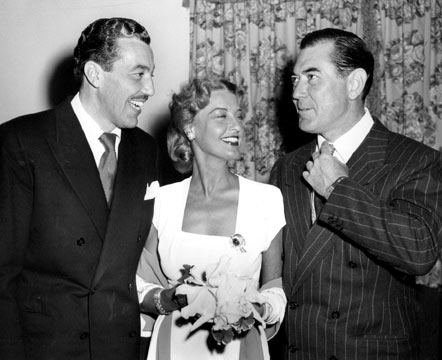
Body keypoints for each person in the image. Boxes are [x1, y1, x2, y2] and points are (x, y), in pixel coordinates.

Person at [0, 17, 159, 360]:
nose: (151, 89)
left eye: (151, 74)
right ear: (95, 74)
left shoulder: (146, 150)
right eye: (138, 74)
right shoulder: (23, 142)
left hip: (120, 348)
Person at [269, 27, 442, 359]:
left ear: (354, 83)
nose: (297, 92)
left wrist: (338, 188)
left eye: (312, 77)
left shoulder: (414, 160)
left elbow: (420, 252)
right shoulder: (287, 167)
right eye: (295, 80)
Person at [135, 77, 287, 360]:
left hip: (242, 348)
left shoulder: (266, 199)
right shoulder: (162, 200)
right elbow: (141, 284)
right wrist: (170, 299)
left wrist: (258, 307)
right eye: (222, 116)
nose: (237, 126)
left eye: (239, 116)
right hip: (173, 347)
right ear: (190, 128)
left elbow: (273, 285)